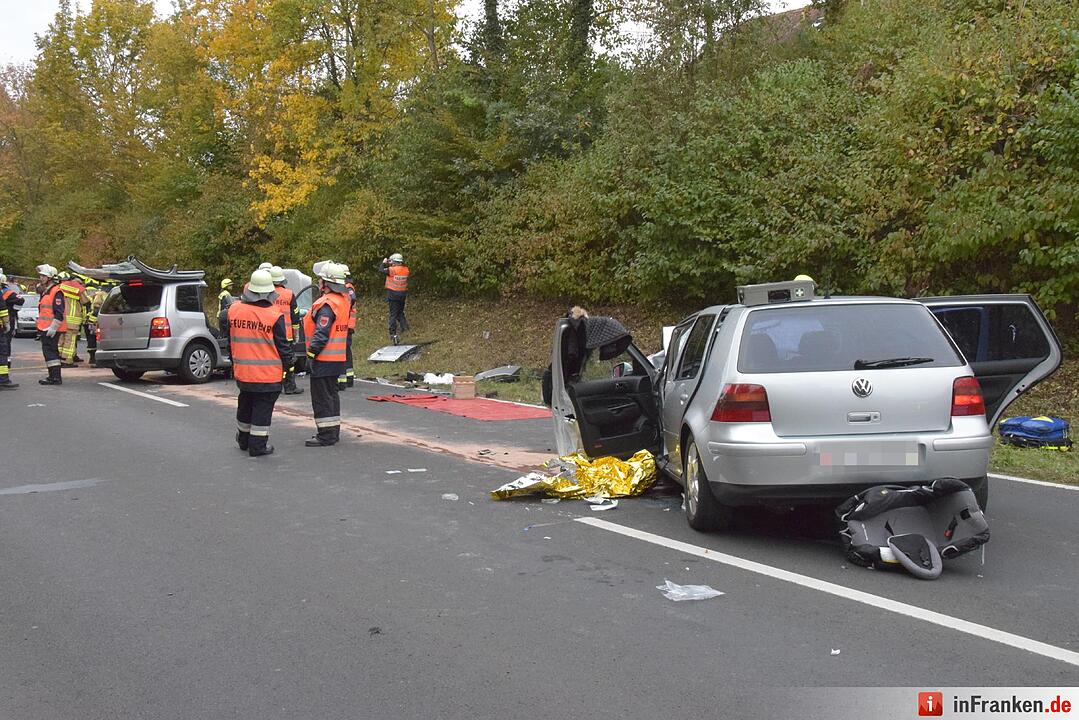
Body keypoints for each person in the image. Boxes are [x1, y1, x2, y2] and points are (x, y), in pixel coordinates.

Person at [226, 269, 293, 457]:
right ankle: (258, 446)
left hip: (243, 372)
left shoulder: (234, 310)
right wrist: (290, 365)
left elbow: (230, 341)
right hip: (267, 375)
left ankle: (243, 439)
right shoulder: (274, 315)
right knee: (262, 410)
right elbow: (283, 347)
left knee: (245, 404)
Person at [304, 262, 350, 447]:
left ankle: (326, 435)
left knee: (322, 398)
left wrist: (311, 354)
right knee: (331, 396)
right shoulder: (342, 301)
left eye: (321, 279)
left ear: (326, 283)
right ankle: (332, 432)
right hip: (336, 358)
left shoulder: (327, 304)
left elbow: (321, 333)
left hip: (323, 358)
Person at [269, 265, 304, 395]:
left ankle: (274, 385)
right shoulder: (289, 294)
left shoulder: (266, 294)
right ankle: (290, 386)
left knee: (272, 361)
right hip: (286, 334)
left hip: (269, 334)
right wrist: (296, 333)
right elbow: (295, 315)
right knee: (288, 361)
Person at [35, 264, 66, 385]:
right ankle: (53, 376)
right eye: (41, 276)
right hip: (45, 327)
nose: (41, 278)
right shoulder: (47, 291)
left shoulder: (56, 291)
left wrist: (53, 327)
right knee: (49, 352)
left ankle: (55, 377)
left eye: (44, 276)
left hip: (51, 328)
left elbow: (59, 312)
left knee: (51, 352)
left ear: (50, 277)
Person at [0, 271, 24, 390]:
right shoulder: (6, 293)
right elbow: (3, 310)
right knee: (3, 350)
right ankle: (3, 379)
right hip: (3, 325)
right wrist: (11, 315)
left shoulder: (6, 293)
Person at [379, 252, 409, 345]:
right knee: (400, 312)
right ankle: (405, 328)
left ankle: (392, 332)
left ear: (395, 261)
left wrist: (384, 262)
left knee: (393, 314)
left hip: (393, 294)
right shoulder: (406, 269)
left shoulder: (392, 270)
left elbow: (381, 270)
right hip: (403, 294)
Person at [57, 272, 87, 367]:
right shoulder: (77, 288)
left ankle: (59, 358)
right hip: (73, 319)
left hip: (62, 318)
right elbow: (86, 301)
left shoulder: (59, 288)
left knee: (61, 339)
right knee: (70, 341)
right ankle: (67, 360)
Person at [84, 282, 108, 367]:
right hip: (96, 321)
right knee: (97, 340)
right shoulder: (102, 294)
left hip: (89, 321)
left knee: (91, 340)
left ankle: (93, 359)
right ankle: (96, 360)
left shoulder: (91, 294)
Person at [340, 264, 356, 390]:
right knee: (346, 351)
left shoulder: (347, 287)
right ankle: (348, 378)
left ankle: (345, 379)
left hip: (346, 324)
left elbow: (352, 298)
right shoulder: (346, 286)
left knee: (344, 351)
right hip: (347, 324)